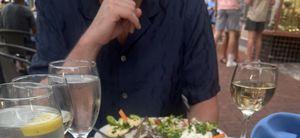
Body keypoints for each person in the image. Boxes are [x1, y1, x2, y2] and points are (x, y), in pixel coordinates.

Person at [30, 0, 220, 126]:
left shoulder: (186, 5)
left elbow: (204, 102)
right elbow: (38, 107)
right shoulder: (56, 4)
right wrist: (90, 42)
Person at [214, 0, 241, 67]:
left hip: (221, 7)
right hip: (233, 7)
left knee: (217, 32)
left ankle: (207, 55)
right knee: (232, 33)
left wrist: (216, 8)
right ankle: (230, 60)